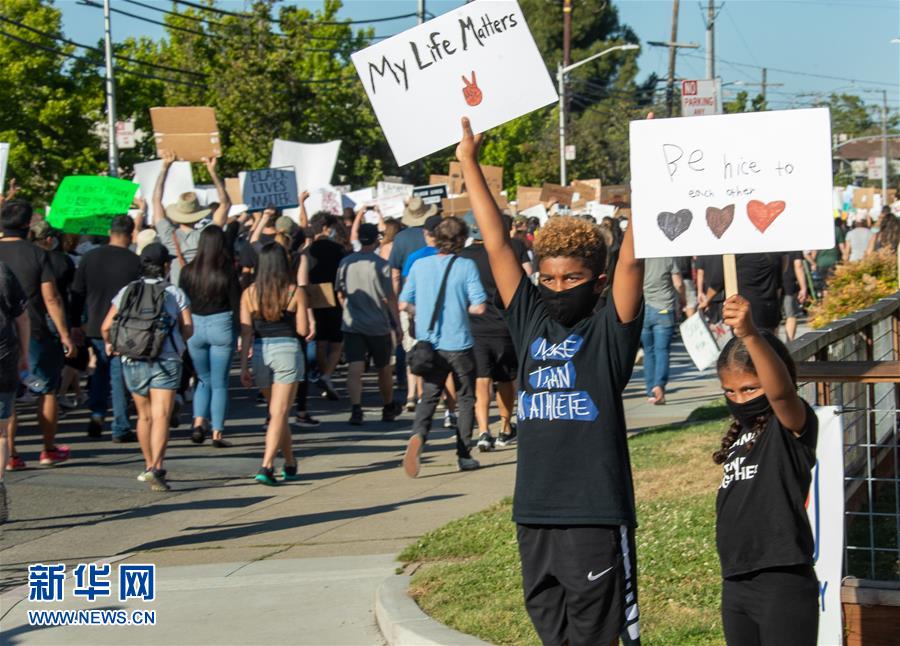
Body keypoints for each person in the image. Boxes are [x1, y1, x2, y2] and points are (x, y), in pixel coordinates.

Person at [457, 117, 644, 645]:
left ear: (597, 282)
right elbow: (496, 244)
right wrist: (469, 160)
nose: (559, 287)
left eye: (574, 279)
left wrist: (651, 177)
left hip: (594, 512)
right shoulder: (530, 319)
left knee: (599, 635)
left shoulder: (608, 332)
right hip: (534, 511)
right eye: (550, 278)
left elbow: (632, 264)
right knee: (553, 634)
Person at [714, 295, 819, 645]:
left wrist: (750, 335)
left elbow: (782, 396)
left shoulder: (790, 424)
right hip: (737, 581)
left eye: (749, 388)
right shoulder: (741, 435)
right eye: (730, 391)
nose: (740, 399)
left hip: (783, 582)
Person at [101, 243, 192, 492]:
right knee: (162, 414)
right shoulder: (175, 293)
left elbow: (106, 326)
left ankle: (148, 463)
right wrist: (178, 342)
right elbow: (188, 328)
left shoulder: (127, 291)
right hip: (167, 359)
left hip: (132, 358)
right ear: (165, 266)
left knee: (144, 415)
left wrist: (113, 345)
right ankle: (157, 468)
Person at [400, 216, 486, 475]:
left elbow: (404, 303)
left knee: (429, 395)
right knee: (466, 397)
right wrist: (461, 307)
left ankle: (418, 436)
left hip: (429, 344)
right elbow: (479, 306)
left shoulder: (419, 266)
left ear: (435, 238)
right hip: (459, 342)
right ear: (462, 240)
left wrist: (421, 311)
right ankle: (463, 453)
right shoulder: (466, 266)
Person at [0, 200, 74, 470]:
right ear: (27, 224)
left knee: (7, 397)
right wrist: (65, 334)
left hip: (2, 335)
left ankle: (11, 453)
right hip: (35, 332)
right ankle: (48, 449)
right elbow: (51, 298)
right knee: (47, 389)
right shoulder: (37, 254)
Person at [459, 211, 529, 451]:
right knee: (506, 379)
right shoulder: (502, 254)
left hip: (474, 327)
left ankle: (483, 431)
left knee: (481, 380)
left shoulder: (463, 258)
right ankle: (505, 426)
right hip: (502, 326)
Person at [240, 244, 308, 486]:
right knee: (279, 412)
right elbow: (303, 330)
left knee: (276, 412)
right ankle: (267, 465)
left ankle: (289, 462)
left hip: (260, 351)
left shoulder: (249, 293)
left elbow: (246, 333)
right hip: (287, 350)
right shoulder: (294, 292)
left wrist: (244, 367)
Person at [70, 215, 142, 441]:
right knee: (119, 376)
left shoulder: (90, 258)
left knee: (99, 371)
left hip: (94, 324)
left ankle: (98, 412)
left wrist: (74, 323)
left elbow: (77, 292)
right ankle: (120, 425)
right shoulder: (134, 262)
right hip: (124, 327)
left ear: (110, 232)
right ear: (131, 235)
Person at [180, 226, 240, 447]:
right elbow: (236, 303)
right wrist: (242, 334)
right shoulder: (227, 271)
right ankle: (217, 432)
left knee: (202, 379)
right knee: (220, 382)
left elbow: (182, 303)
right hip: (221, 324)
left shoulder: (187, 271)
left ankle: (197, 423)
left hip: (194, 326)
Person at [336, 223, 402, 425]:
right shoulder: (381, 265)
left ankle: (356, 408)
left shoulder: (345, 263)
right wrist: (397, 324)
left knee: (355, 365)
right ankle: (388, 405)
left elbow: (340, 292)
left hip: (352, 322)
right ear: (376, 240)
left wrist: (347, 308)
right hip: (377, 322)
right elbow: (390, 297)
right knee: (383, 367)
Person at [152, 151, 231, 287]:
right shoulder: (207, 234)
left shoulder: (168, 235)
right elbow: (225, 204)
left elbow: (156, 200)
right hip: (203, 291)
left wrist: (165, 168)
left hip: (179, 295)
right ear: (197, 213)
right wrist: (212, 172)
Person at [390, 197, 436, 410]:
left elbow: (395, 274)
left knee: (410, 346)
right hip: (435, 298)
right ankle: (432, 392)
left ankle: (411, 393)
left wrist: (397, 299)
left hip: (409, 300)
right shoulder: (437, 235)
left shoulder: (400, 238)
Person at [307, 213, 347, 401]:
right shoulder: (338, 249)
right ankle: (326, 375)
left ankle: (324, 375)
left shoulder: (307, 251)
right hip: (333, 294)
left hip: (313, 297)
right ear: (326, 228)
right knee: (337, 342)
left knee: (320, 342)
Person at [0, 263, 29, 523]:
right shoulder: (3, 272)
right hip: (3, 357)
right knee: (0, 430)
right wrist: (25, 353)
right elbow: (21, 317)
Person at [641, 257, 684, 405]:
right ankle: (659, 385)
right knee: (662, 351)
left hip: (643, 309)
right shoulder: (667, 257)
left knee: (648, 351)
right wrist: (682, 301)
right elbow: (678, 283)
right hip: (664, 308)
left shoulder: (640, 256)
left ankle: (650, 391)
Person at [781, 251, 808, 342]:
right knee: (790, 315)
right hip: (789, 283)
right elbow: (798, 266)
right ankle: (789, 343)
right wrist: (803, 288)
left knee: (774, 317)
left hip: (771, 282)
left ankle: (772, 343)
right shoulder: (795, 246)